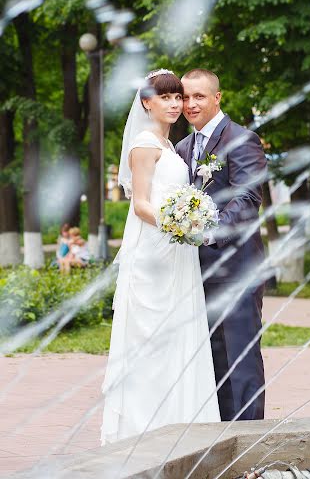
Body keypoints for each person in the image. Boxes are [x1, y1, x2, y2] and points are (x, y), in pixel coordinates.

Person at [101, 69, 220, 445]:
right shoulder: (144, 144)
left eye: (177, 97)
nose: (174, 104)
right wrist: (178, 226)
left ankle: (181, 423)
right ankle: (143, 430)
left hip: (177, 254)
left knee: (178, 338)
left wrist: (189, 224)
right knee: (151, 341)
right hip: (154, 251)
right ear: (146, 103)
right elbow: (139, 205)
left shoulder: (171, 146)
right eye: (165, 98)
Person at [176, 68, 267, 422]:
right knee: (212, 362)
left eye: (199, 96)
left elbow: (247, 198)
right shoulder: (182, 148)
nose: (190, 104)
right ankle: (222, 444)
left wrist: (207, 231)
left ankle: (248, 449)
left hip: (236, 270)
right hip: (195, 272)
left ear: (217, 97)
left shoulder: (241, 139)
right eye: (185, 97)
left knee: (241, 362)